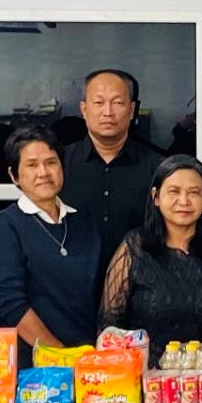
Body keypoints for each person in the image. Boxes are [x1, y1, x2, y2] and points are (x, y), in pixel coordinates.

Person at [99, 156, 202, 367]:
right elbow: (110, 323)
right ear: (156, 197)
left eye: (194, 192)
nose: (184, 201)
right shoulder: (134, 248)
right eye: (174, 191)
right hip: (147, 378)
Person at [0, 127, 101, 357]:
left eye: (51, 162)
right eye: (31, 165)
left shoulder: (83, 221)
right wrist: (60, 355)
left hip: (86, 356)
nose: (43, 172)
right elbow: (11, 304)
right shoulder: (6, 225)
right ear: (14, 175)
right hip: (36, 363)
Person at [62, 69, 163, 260]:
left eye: (117, 103)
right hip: (71, 276)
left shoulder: (157, 168)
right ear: (84, 109)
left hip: (140, 274)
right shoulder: (60, 164)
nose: (108, 112)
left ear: (131, 110)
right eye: (99, 103)